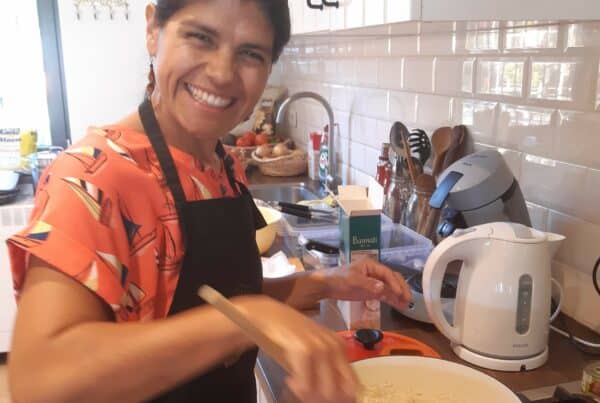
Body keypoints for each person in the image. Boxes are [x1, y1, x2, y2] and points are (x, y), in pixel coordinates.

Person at [6, 1, 411, 402]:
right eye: (200, 37)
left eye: (250, 54)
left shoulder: (222, 164)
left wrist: (327, 283)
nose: (221, 73)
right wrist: (243, 320)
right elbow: (40, 379)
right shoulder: (92, 176)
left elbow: (224, 297)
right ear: (152, 30)